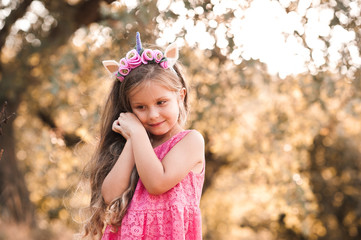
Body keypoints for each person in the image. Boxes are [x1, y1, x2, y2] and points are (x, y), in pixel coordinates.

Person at [82, 32, 205, 240]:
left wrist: (137, 132)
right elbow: (111, 194)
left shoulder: (190, 141)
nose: (153, 114)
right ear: (129, 108)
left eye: (161, 102)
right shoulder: (136, 142)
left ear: (180, 96)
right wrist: (133, 138)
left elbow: (157, 183)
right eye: (140, 107)